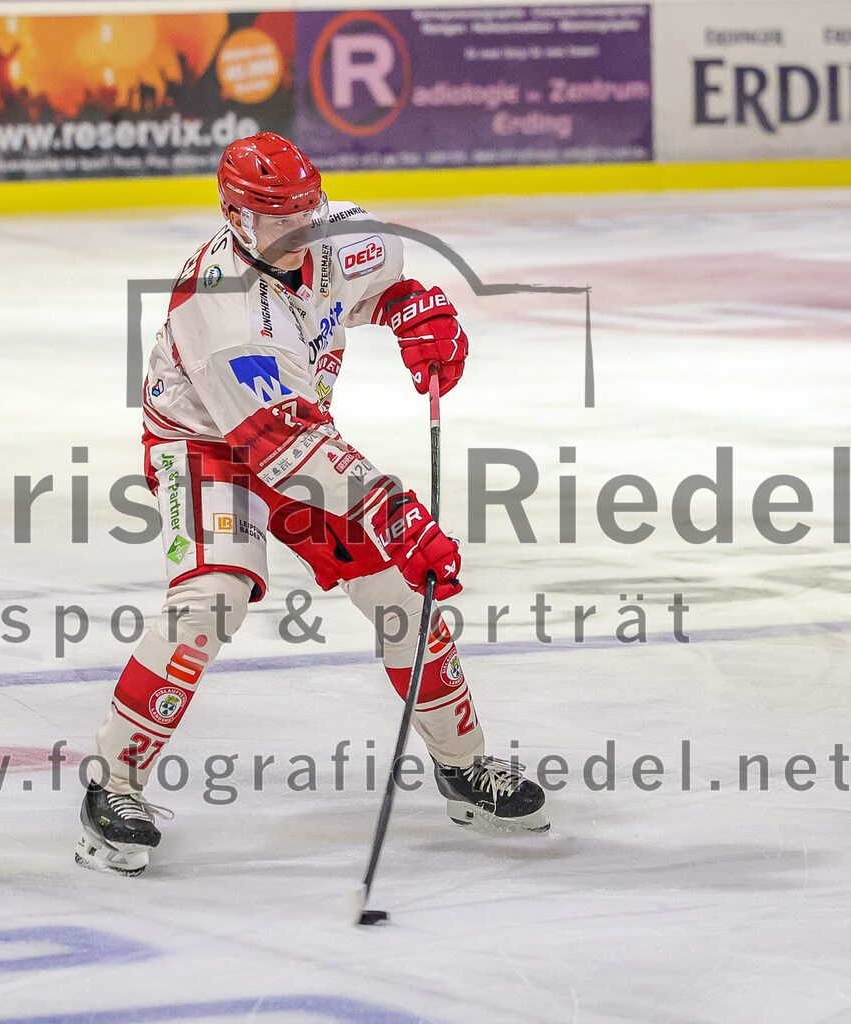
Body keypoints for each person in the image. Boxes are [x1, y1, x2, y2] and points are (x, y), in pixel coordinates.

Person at [76, 132, 548, 876]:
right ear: (237, 218)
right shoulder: (221, 305)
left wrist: (413, 311)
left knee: (403, 593)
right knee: (212, 597)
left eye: (307, 209)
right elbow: (279, 448)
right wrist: (394, 512)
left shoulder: (347, 236)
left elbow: (376, 290)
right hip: (207, 448)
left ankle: (464, 768)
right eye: (279, 218)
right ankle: (114, 782)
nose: (300, 230)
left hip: (299, 439)